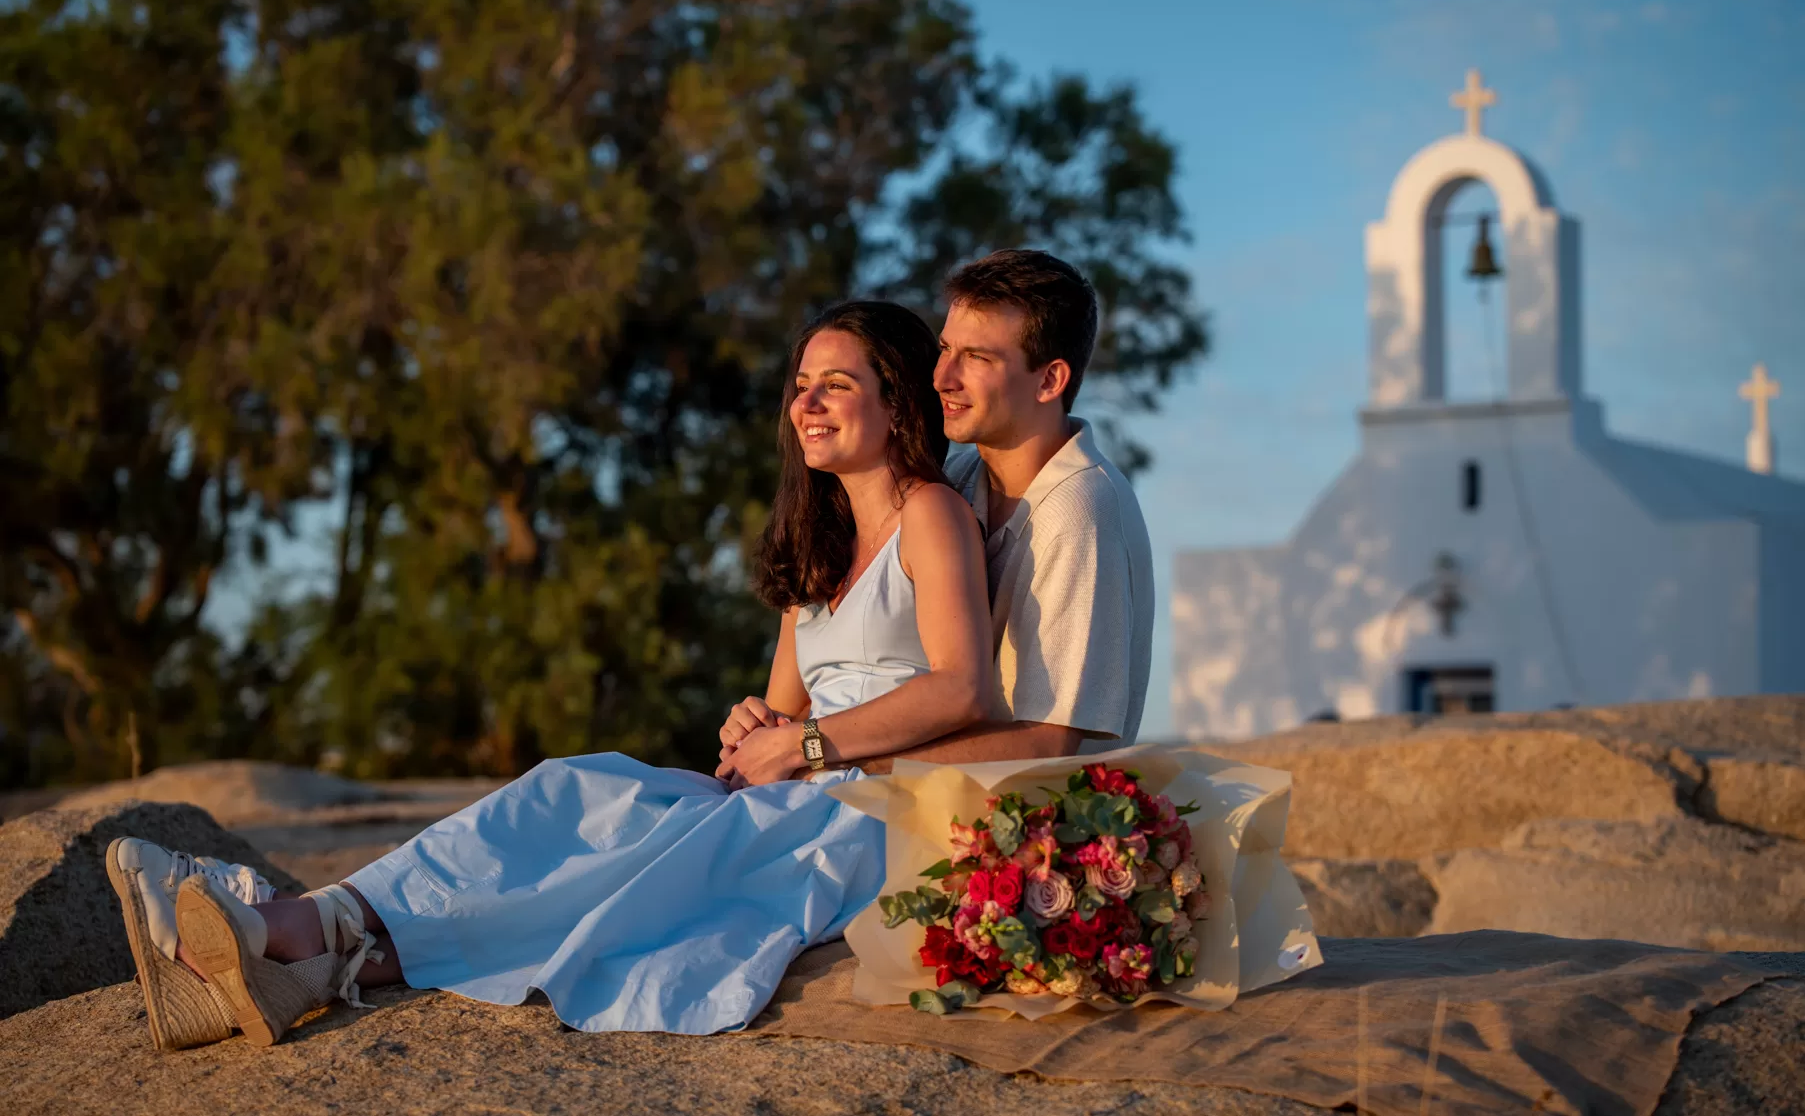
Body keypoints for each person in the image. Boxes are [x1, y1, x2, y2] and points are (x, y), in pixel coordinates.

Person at [110, 300, 999, 1048]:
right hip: (791, 777)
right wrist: (751, 727)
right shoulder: (818, 544)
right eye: (800, 383)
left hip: (866, 802)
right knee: (577, 791)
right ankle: (302, 952)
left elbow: (962, 686)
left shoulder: (932, 514)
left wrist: (803, 742)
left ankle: (286, 928)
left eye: (836, 384)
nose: (807, 401)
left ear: (897, 402)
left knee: (636, 862)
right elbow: (779, 703)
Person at [722, 249, 1154, 770]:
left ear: (1049, 381)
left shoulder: (1079, 513)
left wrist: (819, 756)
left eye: (976, 358)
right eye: (945, 348)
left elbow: (1050, 750)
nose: (941, 377)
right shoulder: (956, 479)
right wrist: (768, 731)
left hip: (1020, 823)